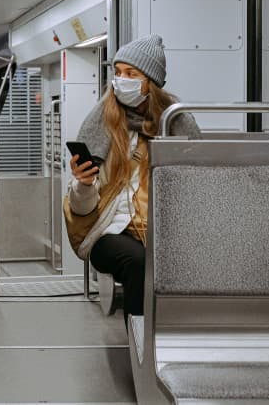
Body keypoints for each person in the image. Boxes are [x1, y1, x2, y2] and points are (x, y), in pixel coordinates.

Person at [64, 34, 200, 322]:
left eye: (130, 73)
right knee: (138, 261)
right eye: (117, 72)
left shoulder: (176, 121)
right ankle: (141, 348)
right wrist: (83, 185)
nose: (120, 80)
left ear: (150, 81)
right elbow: (82, 210)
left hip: (162, 228)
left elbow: (195, 185)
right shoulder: (102, 122)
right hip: (109, 231)